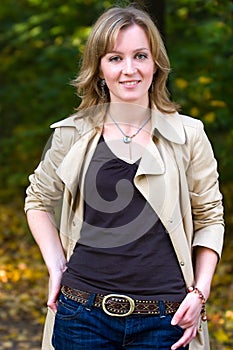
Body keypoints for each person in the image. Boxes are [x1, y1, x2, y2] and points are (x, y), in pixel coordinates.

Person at [24, 5, 224, 350]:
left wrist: (200, 291)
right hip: (81, 314)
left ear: (155, 63)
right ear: (99, 69)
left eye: (140, 56)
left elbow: (210, 218)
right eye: (115, 58)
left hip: (168, 319)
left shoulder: (189, 136)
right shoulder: (72, 134)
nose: (129, 70)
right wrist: (56, 266)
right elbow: (38, 200)